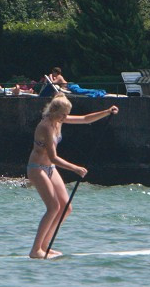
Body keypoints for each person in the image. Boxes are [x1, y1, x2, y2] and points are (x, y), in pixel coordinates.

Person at [27, 95, 119, 259]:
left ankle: (45, 246)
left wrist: (107, 112)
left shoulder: (58, 120)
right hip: (37, 168)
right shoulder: (46, 126)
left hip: (50, 168)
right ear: (54, 111)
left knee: (66, 208)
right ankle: (35, 250)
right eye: (63, 114)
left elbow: (84, 119)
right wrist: (75, 168)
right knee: (53, 207)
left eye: (66, 115)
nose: (65, 118)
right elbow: (53, 157)